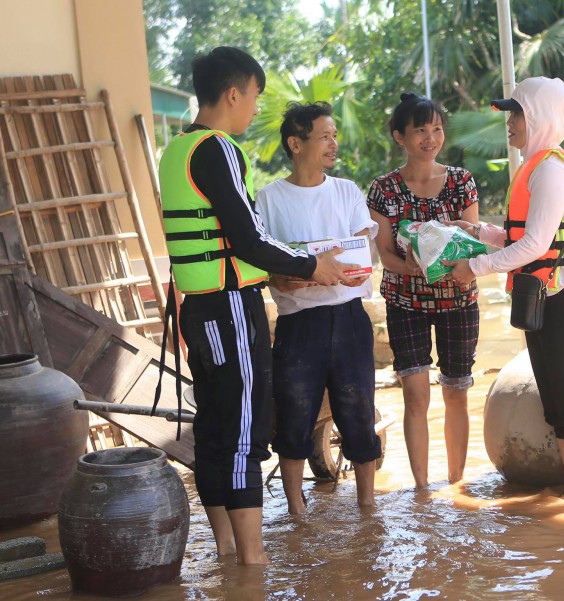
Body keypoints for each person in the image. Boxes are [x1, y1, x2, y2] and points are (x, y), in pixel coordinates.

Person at [158, 47, 356, 564]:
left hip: (199, 310)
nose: (254, 108)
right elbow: (248, 238)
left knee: (213, 428)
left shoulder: (176, 149)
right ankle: (253, 562)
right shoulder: (218, 148)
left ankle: (227, 550)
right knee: (245, 429)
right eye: (254, 97)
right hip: (229, 308)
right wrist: (313, 265)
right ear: (233, 94)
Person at [445, 77, 564, 505]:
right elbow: (526, 238)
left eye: (516, 113)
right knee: (557, 406)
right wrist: (480, 232)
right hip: (543, 299)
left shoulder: (551, 169)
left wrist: (474, 267)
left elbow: (535, 245)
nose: (510, 122)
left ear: (538, 116)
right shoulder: (535, 166)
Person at [255, 101, 382, 515]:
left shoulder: (347, 191)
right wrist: (303, 273)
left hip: (349, 320)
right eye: (324, 136)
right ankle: (297, 513)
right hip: (297, 324)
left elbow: (363, 258)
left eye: (334, 136)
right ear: (296, 144)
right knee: (293, 418)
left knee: (359, 414)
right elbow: (269, 272)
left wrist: (332, 271)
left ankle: (368, 508)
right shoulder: (268, 200)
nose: (333, 144)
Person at [367, 93, 480, 488]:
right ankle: (421, 491)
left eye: (436, 129)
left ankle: (456, 486)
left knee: (456, 393)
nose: (431, 138)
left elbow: (471, 242)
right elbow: (385, 254)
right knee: (415, 396)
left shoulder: (461, 181)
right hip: (405, 301)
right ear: (400, 136)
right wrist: (412, 268)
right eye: (420, 131)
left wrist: (448, 261)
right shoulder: (383, 189)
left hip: (458, 300)